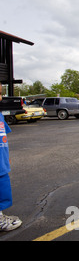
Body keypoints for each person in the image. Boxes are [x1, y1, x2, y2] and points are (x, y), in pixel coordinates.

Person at [0, 86, 22, 231]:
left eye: (0, 94)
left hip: (1, 163)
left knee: (2, 190)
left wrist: (6, 157)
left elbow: (3, 136)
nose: (1, 97)